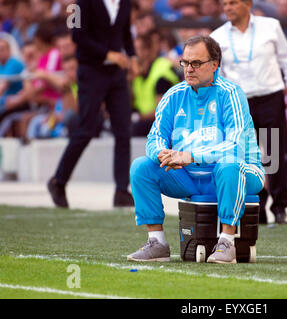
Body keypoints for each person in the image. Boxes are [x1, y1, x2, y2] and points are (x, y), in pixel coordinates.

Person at [127, 35, 264, 264]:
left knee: (229, 163)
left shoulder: (231, 94)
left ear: (214, 64)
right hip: (188, 175)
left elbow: (235, 145)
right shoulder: (173, 95)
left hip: (240, 171)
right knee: (141, 167)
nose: (189, 69)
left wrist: (190, 155)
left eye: (196, 63)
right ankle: (157, 242)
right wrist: (162, 153)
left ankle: (227, 242)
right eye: (185, 63)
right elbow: (155, 136)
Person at [210, 0, 287, 224]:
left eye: (233, 3)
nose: (228, 8)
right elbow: (215, 74)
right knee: (246, 155)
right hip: (239, 103)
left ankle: (280, 208)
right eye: (224, 4)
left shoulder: (271, 26)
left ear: (248, 4)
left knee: (273, 155)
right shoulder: (218, 36)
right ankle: (255, 206)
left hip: (270, 97)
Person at [47, 0, 138, 208]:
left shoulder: (125, 2)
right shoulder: (80, 3)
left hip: (116, 74)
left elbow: (125, 33)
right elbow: (77, 36)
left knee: (123, 131)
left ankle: (121, 190)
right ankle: (58, 181)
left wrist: (132, 57)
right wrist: (109, 54)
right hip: (91, 72)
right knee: (86, 129)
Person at [131, 32, 179, 136]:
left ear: (147, 51)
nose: (133, 54)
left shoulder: (161, 73)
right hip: (143, 120)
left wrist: (136, 117)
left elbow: (162, 113)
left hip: (164, 125)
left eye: (136, 49)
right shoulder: (137, 75)